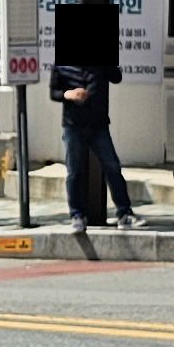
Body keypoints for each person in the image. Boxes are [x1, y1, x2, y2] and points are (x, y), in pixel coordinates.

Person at [54, 49, 136, 231]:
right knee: (74, 171)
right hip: (73, 125)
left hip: (98, 125)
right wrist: (68, 94)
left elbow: (116, 77)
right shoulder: (62, 65)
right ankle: (77, 215)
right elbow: (54, 92)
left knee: (112, 167)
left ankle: (124, 213)